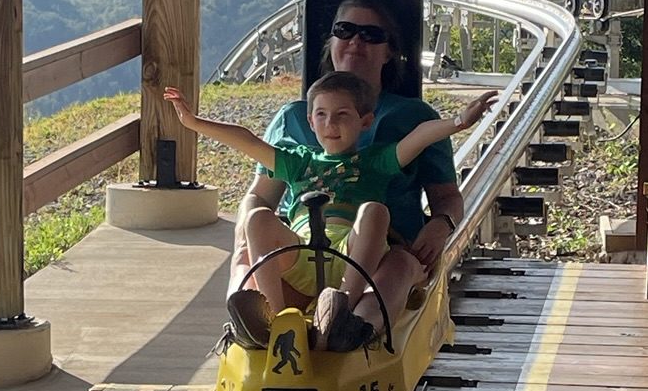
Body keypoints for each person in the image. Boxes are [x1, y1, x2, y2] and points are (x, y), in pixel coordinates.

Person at [164, 74, 495, 351]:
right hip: (301, 252)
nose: (330, 124)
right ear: (310, 121)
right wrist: (194, 122)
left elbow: (417, 139)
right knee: (258, 219)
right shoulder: (298, 161)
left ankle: (342, 312)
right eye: (321, 115)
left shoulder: (374, 161)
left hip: (352, 256)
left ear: (364, 122)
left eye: (342, 115)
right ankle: (277, 320)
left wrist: (459, 122)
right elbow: (247, 141)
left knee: (375, 211)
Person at [229, 0, 478, 344]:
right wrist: (246, 225)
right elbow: (260, 196)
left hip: (382, 256)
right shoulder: (292, 119)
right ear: (331, 39)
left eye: (371, 34)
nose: (355, 42)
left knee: (402, 266)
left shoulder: (414, 117)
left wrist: (441, 225)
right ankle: (254, 327)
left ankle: (352, 327)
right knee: (247, 249)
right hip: (302, 248)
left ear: (390, 51)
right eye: (345, 30)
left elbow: (446, 196)